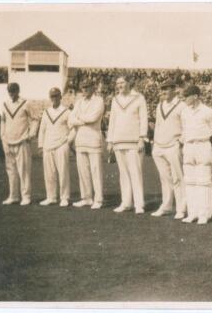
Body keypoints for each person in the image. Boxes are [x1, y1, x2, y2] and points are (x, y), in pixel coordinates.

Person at [107, 76, 148, 214]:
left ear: (129, 83)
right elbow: (112, 120)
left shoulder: (139, 98)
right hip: (118, 141)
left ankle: (139, 204)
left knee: (135, 173)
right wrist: (110, 141)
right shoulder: (115, 99)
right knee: (123, 174)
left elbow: (143, 118)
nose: (119, 85)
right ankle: (126, 203)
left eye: (122, 82)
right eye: (117, 83)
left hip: (134, 141)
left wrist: (142, 137)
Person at [179, 85, 212, 225]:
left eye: (187, 96)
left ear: (195, 96)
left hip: (203, 145)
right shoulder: (184, 112)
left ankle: (204, 214)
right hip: (188, 146)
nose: (184, 99)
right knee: (189, 181)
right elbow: (184, 131)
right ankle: (192, 213)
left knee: (204, 181)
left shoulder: (209, 112)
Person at [150, 79, 187, 219]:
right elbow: (158, 125)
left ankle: (181, 208)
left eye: (167, 89)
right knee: (165, 178)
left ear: (174, 89)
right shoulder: (160, 105)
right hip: (159, 146)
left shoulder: (181, 105)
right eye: (162, 89)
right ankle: (166, 206)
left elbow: (185, 126)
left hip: (173, 145)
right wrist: (155, 144)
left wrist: (180, 142)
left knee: (178, 178)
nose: (164, 91)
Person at [68, 80, 105, 209]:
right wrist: (81, 120)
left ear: (93, 87)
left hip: (93, 139)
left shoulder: (99, 100)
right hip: (80, 140)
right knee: (82, 170)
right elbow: (70, 119)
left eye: (87, 87)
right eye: (83, 87)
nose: (84, 89)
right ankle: (86, 198)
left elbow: (93, 118)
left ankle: (98, 199)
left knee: (96, 170)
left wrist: (79, 119)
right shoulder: (78, 102)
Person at [0, 83, 38, 206]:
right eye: (9, 91)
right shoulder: (5, 104)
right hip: (8, 141)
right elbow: (3, 121)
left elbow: (35, 119)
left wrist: (30, 135)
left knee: (24, 171)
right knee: (11, 171)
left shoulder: (26, 103)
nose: (11, 93)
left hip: (22, 141)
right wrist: (3, 136)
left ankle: (26, 197)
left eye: (13, 91)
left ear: (18, 91)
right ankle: (13, 196)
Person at [38, 88, 74, 207]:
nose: (54, 98)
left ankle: (64, 197)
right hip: (48, 145)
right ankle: (51, 197)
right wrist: (40, 145)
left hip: (61, 145)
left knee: (63, 172)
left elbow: (73, 129)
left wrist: (68, 142)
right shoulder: (46, 112)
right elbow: (42, 130)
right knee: (49, 173)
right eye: (52, 96)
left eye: (56, 96)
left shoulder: (67, 111)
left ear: (60, 96)